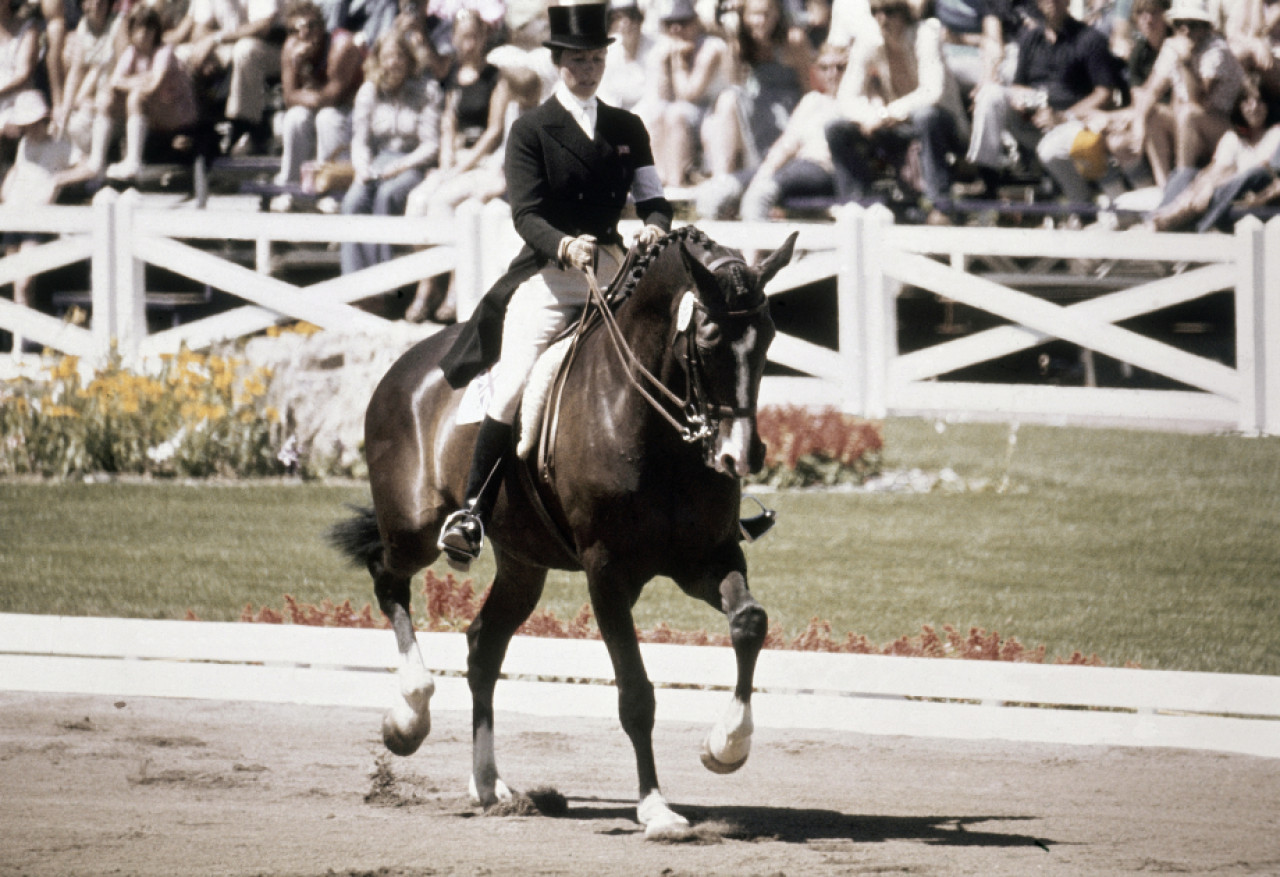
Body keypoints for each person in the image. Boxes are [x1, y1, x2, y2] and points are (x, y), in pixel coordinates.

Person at [433, 0, 673, 570]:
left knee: (670, 356)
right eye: (576, 61)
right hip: (552, 274)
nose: (586, 70)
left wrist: (654, 232)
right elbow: (527, 214)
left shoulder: (627, 127)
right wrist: (565, 244)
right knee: (514, 379)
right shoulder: (531, 129)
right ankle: (471, 510)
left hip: (614, 269)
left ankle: (700, 493)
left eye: (594, 60)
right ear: (557, 62)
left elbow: (656, 201)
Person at [402, 8, 515, 322]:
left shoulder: (496, 76)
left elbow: (494, 131)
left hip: (482, 160)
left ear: (483, 38)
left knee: (442, 203)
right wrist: (447, 161)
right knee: (417, 200)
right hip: (455, 159)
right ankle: (426, 283)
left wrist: (463, 165)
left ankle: (451, 286)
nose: (467, 43)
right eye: (462, 36)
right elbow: (448, 122)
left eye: (473, 36)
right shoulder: (452, 74)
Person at [965, 0, 1123, 203]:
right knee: (990, 93)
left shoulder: (1089, 39)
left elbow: (1105, 94)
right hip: (1035, 114)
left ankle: (1081, 205)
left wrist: (1063, 116)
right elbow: (1017, 85)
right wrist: (1023, 100)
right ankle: (988, 176)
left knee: (1049, 149)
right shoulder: (1031, 39)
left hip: (1072, 119)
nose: (1051, 3)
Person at [825, 0, 970, 219]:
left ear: (905, 13)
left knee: (925, 116)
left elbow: (932, 92)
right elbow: (846, 98)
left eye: (889, 11)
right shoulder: (869, 39)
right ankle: (857, 205)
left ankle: (939, 205)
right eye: (875, 12)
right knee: (835, 127)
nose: (882, 18)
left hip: (943, 128)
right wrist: (870, 115)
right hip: (897, 128)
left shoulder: (926, 34)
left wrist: (886, 114)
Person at [339, 28, 442, 274]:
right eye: (387, 57)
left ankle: (384, 280)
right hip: (380, 161)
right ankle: (354, 279)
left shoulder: (427, 90)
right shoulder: (369, 91)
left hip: (413, 162)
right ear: (378, 60)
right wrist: (362, 168)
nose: (393, 63)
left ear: (408, 60)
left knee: (386, 195)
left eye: (398, 56)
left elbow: (431, 144)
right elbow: (360, 141)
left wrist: (401, 166)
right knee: (353, 200)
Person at [1130, 0, 1245, 186]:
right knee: (1153, 113)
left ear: (1205, 27)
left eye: (1193, 24)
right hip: (1189, 126)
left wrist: (1185, 62)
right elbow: (1152, 90)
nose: (1186, 31)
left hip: (1221, 129)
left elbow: (1197, 100)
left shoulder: (1216, 49)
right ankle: (1164, 186)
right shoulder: (1173, 46)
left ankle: (1180, 183)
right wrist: (1138, 122)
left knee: (1188, 112)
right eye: (1179, 24)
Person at [1145, 77, 1280, 228]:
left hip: (1251, 192)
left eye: (1260, 101)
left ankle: (1179, 217)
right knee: (1187, 174)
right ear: (1239, 107)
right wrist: (1203, 188)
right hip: (1219, 191)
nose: (1254, 107)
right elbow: (1217, 169)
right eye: (1247, 102)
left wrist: (1213, 187)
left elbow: (1263, 171)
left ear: (1268, 105)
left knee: (1248, 175)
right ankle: (1169, 212)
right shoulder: (1233, 138)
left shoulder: (1276, 134)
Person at [738, 41, 846, 223]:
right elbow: (787, 144)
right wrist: (763, 174)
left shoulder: (860, 101)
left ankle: (751, 252)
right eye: (824, 67)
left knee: (759, 196)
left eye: (840, 67)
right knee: (720, 191)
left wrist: (760, 184)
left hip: (825, 171)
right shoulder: (812, 100)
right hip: (796, 167)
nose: (832, 74)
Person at [1, 91, 74, 358]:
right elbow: (19, 171)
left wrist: (58, 180)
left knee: (23, 281)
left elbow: (88, 166)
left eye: (33, 123)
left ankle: (27, 340)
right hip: (14, 215)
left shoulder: (61, 146)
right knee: (11, 280)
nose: (29, 129)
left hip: (37, 218)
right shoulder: (24, 147)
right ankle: (20, 343)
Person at [272, 0, 364, 201]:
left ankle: (329, 189)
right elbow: (289, 98)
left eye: (311, 26)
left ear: (323, 27)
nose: (303, 33)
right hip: (321, 102)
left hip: (352, 107)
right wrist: (300, 68)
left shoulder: (342, 46)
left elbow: (333, 98)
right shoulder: (291, 48)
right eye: (295, 29)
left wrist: (305, 83)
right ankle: (291, 188)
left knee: (327, 118)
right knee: (295, 117)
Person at [105, 5, 202, 180]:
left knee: (136, 98)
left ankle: (134, 162)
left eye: (149, 28)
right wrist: (142, 79)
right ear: (131, 31)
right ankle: (97, 161)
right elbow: (114, 81)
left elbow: (153, 87)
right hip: (158, 114)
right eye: (139, 28)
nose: (143, 33)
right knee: (108, 100)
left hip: (180, 118)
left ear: (156, 31)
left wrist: (134, 82)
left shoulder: (164, 52)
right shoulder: (131, 52)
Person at [646, 0, 732, 186]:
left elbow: (690, 93)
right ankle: (659, 179)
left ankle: (676, 183)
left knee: (677, 114)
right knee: (656, 113)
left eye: (683, 22)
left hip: (716, 111)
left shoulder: (711, 47)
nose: (676, 29)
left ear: (695, 23)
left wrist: (678, 63)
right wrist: (663, 63)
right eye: (670, 24)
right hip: (691, 112)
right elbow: (662, 95)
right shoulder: (666, 48)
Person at [185, 0, 285, 153]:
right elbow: (199, 29)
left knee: (245, 50)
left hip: (274, 48)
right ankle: (189, 130)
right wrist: (207, 56)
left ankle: (242, 127)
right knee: (184, 55)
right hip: (228, 45)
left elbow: (262, 27)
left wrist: (216, 38)